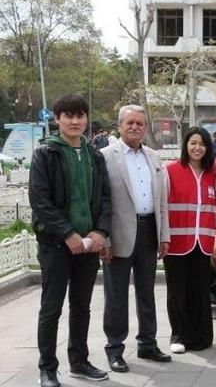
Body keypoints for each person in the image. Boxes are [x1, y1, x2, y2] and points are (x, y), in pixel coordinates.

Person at [30, 94, 111, 387]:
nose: (75, 121)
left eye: (80, 115)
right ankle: (48, 369)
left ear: (86, 119)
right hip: (55, 244)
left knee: (81, 306)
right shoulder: (46, 153)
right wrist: (68, 233)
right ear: (57, 119)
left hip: (88, 246)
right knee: (51, 307)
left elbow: (104, 198)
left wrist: (100, 231)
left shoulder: (95, 155)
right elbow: (40, 201)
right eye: (68, 116)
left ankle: (79, 361)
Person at [101, 105, 172, 372]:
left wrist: (164, 234)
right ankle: (115, 349)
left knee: (147, 292)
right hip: (118, 234)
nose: (135, 127)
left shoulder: (153, 157)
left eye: (140, 123)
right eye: (129, 122)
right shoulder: (106, 156)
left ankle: (148, 343)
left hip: (148, 232)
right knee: (116, 295)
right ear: (119, 125)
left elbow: (162, 199)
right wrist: (104, 239)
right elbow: (101, 201)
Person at [164, 127, 216, 354]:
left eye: (202, 144)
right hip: (176, 242)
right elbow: (162, 207)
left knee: (199, 289)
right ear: (186, 145)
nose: (198, 148)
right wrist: (162, 238)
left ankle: (202, 336)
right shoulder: (170, 171)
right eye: (193, 143)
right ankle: (178, 335)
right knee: (178, 290)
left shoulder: (212, 174)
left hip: (202, 241)